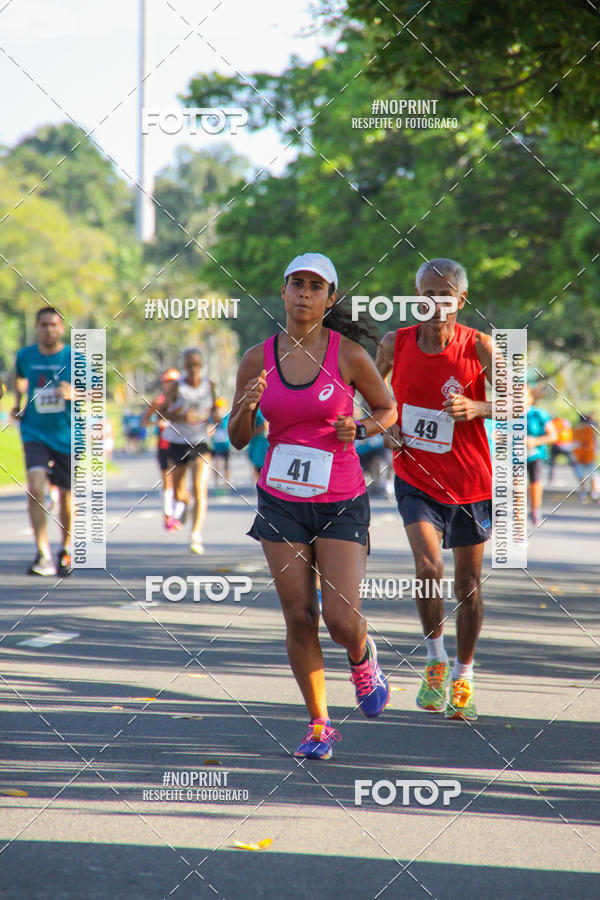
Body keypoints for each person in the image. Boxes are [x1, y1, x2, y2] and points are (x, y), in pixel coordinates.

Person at [228, 252, 397, 760]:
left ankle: (363, 655)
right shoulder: (257, 358)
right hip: (280, 499)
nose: (304, 293)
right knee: (299, 617)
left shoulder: (347, 355)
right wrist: (247, 406)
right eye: (296, 283)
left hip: (340, 497)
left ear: (330, 298)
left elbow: (388, 409)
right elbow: (238, 439)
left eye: (315, 286)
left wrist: (361, 428)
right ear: (282, 292)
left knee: (342, 620)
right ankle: (319, 723)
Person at [377, 258, 495, 722]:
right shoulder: (395, 343)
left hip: (470, 482)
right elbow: (373, 391)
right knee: (428, 566)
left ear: (460, 300)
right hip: (415, 478)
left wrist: (477, 405)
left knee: (467, 585)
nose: (434, 303)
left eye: (444, 295)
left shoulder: (479, 345)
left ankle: (464, 672)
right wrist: (385, 426)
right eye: (426, 294)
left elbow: (516, 401)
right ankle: (435, 661)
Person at [12, 307, 73, 576]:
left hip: (66, 436)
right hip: (34, 432)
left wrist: (75, 393)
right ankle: (42, 552)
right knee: (35, 487)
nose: (48, 329)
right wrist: (17, 403)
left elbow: (97, 392)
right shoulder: (25, 355)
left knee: (66, 500)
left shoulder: (74, 357)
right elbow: (17, 378)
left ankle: (66, 548)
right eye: (44, 325)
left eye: (53, 325)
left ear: (61, 328)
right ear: (37, 328)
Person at [158, 349, 216, 554]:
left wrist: (215, 417)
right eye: (189, 365)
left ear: (202, 366)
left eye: (197, 365)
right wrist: (181, 417)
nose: (193, 369)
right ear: (184, 366)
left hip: (200, 441)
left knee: (200, 488)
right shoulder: (177, 386)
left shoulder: (209, 386)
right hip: (178, 441)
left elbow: (215, 412)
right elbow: (162, 411)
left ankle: (196, 535)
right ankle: (183, 505)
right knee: (180, 492)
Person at [141, 367, 180, 530]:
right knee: (166, 479)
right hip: (164, 445)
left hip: (181, 445)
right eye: (167, 381)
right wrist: (158, 423)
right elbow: (145, 421)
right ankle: (168, 515)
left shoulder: (184, 401)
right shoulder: (159, 401)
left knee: (180, 483)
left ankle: (178, 512)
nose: (170, 384)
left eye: (173, 381)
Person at [526, 386, 557, 526]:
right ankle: (517, 514)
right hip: (514, 456)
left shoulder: (538, 414)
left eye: (524, 396)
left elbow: (553, 435)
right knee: (516, 485)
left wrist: (534, 441)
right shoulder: (508, 414)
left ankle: (535, 509)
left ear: (531, 398)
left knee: (535, 482)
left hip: (534, 454)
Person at [573, 413, 599, 501]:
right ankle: (593, 493)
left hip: (580, 456)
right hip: (588, 455)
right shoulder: (590, 429)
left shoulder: (577, 429)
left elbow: (575, 443)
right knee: (591, 474)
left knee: (583, 475)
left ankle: (584, 493)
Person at [209, 397, 231, 493]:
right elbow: (209, 430)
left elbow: (229, 428)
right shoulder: (212, 418)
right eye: (218, 407)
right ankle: (217, 485)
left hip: (225, 445)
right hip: (216, 445)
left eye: (221, 407)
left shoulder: (227, 417)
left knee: (226, 465)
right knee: (216, 465)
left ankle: (226, 485)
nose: (219, 410)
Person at [547, 416, 578, 484]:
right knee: (574, 463)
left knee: (552, 464)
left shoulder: (553, 423)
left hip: (559, 445)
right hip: (565, 445)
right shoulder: (565, 422)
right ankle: (580, 477)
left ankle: (550, 479)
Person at [247, 407, 269, 482]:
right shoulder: (255, 413)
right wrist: (262, 428)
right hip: (257, 448)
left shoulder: (272, 410)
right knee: (257, 472)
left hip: (268, 449)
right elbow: (249, 434)